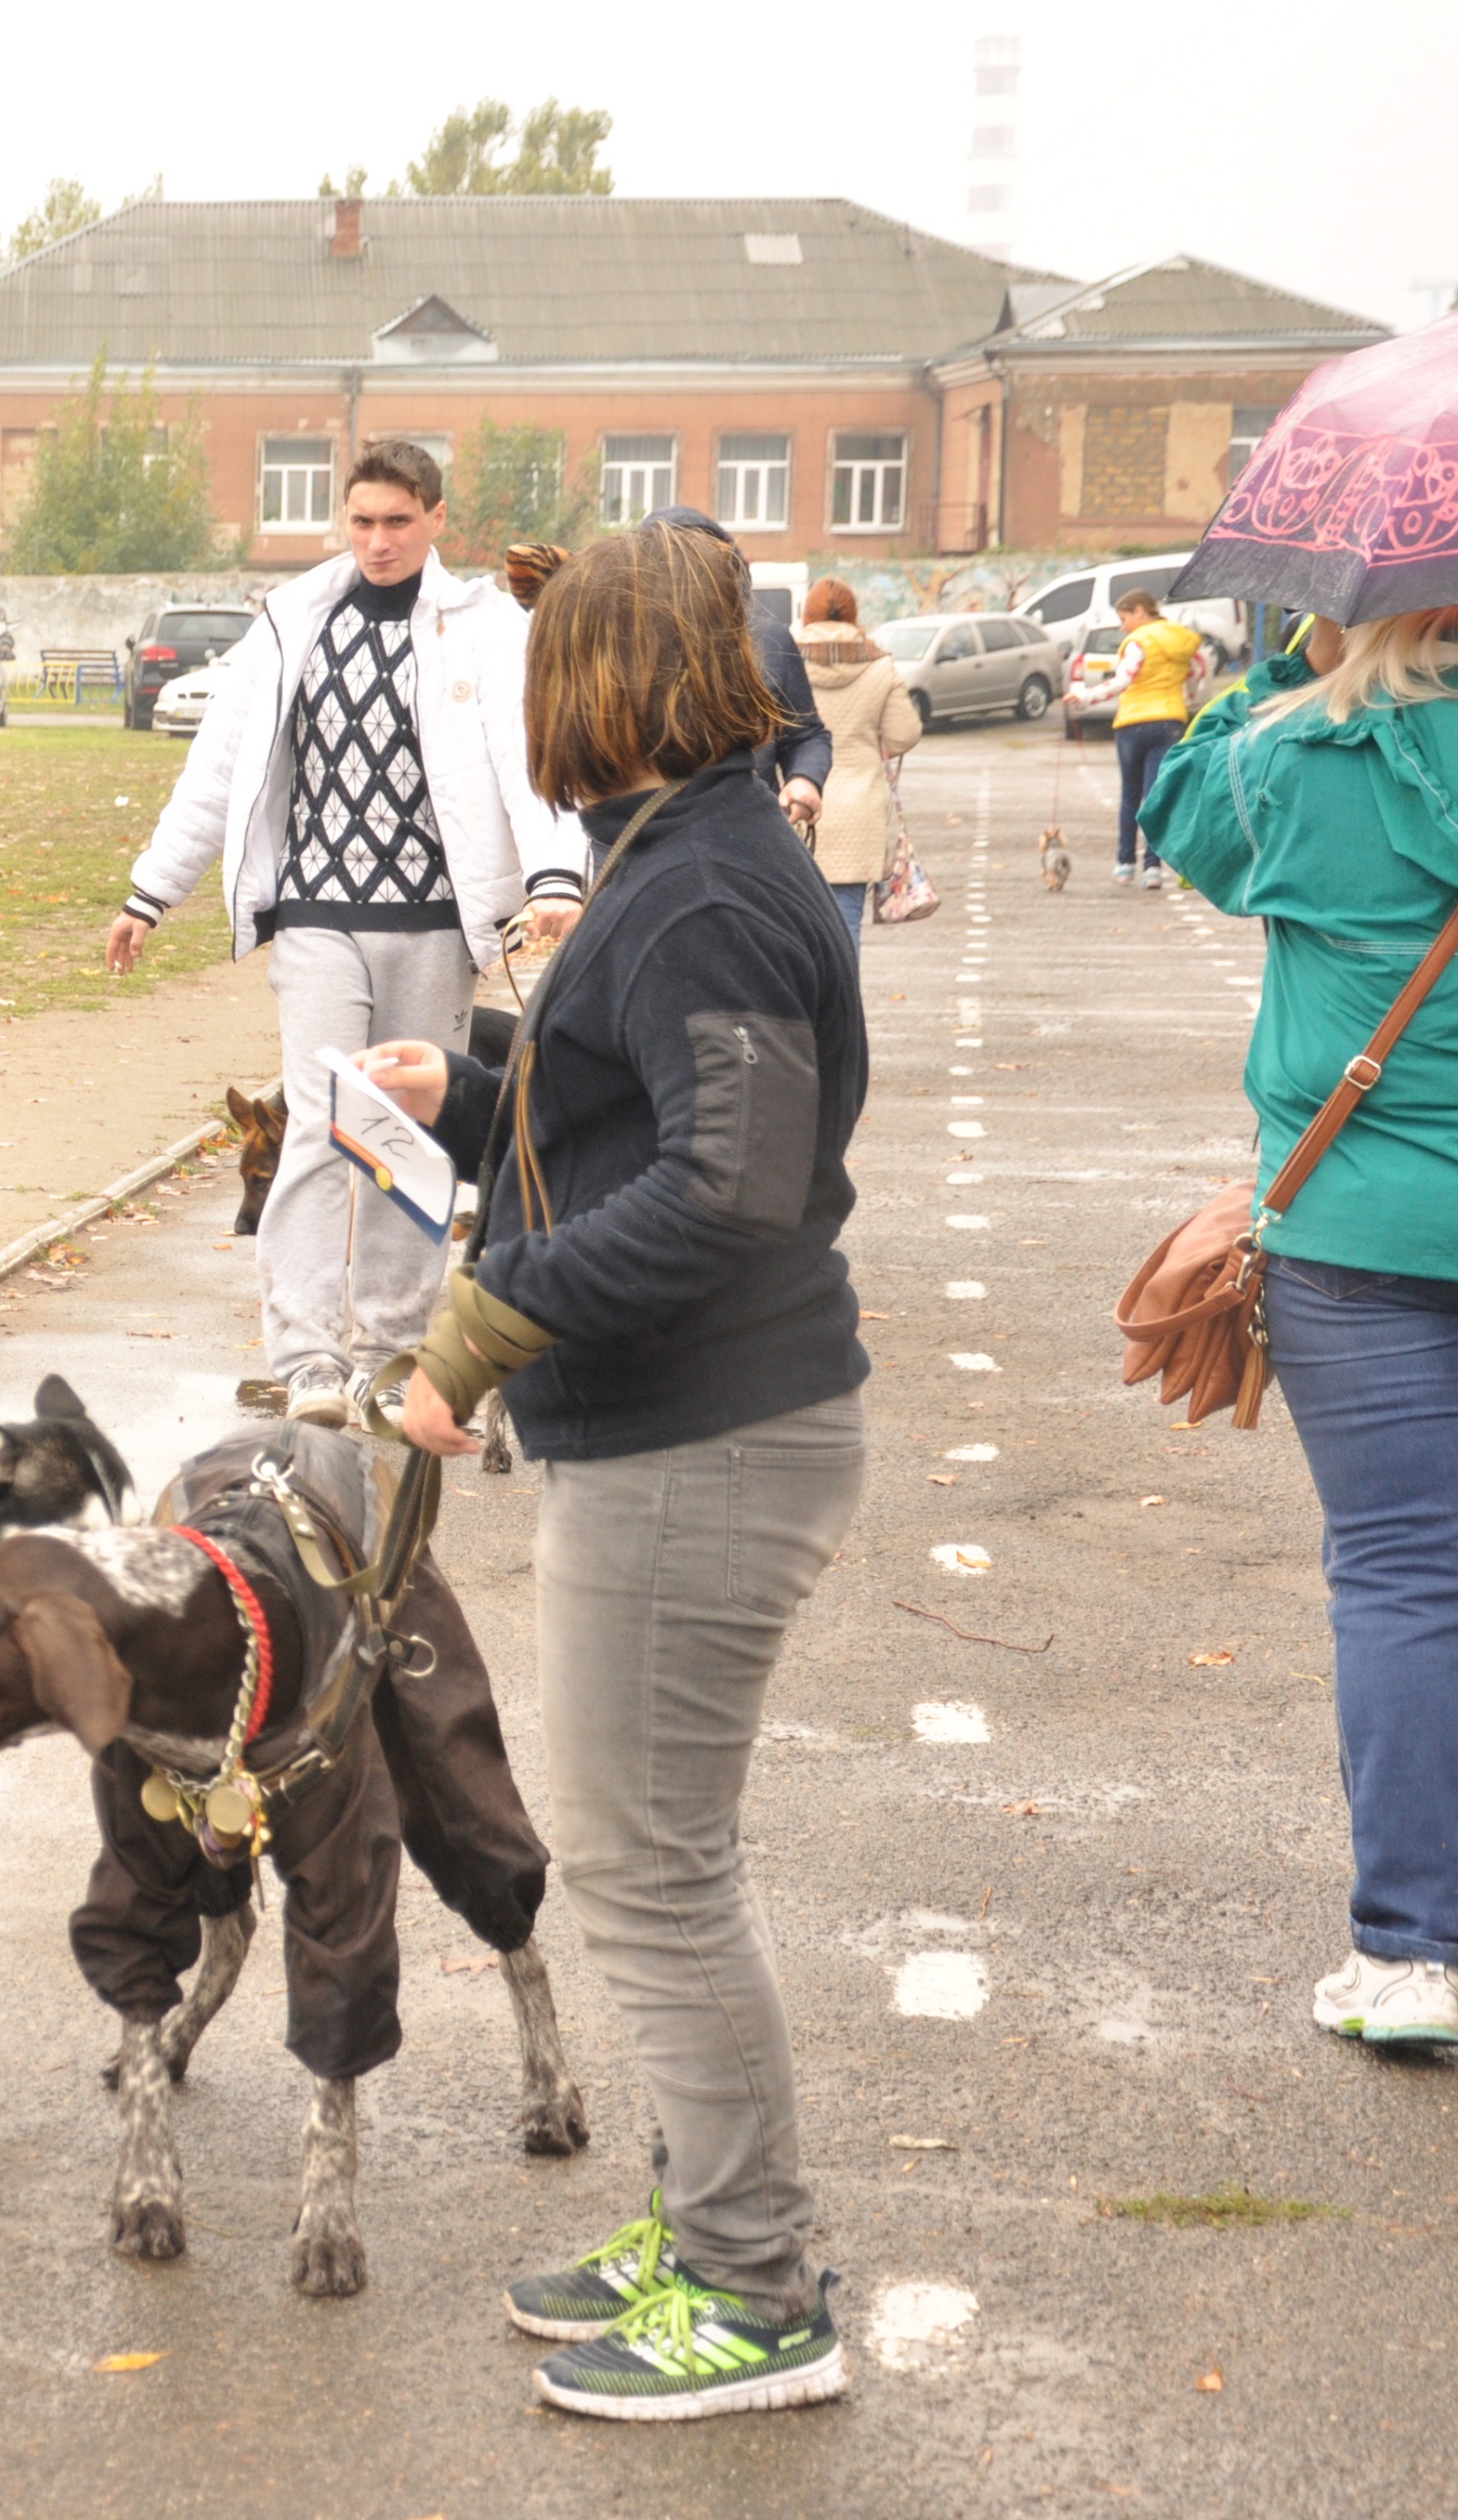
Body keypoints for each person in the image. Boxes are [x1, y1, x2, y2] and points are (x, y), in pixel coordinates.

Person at [356, 520, 870, 2419]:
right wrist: (480, 1094)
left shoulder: (706, 883)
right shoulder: (685, 847)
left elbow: (730, 1190)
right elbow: (655, 1126)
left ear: (603, 675)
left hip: (703, 1438)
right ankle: (711, 2218)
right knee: (665, 1862)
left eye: (539, 664)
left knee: (653, 1874)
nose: (521, 701)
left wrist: (482, 1324)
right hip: (679, 1425)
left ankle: (751, 2287)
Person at [1147, 592, 1458, 2048]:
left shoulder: (1302, 759)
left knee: (1403, 1569)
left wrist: (1291, 657)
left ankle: (1409, 1949)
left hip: (1360, 1233)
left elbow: (1178, 808)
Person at [104, 438, 585, 1425]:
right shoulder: (292, 621)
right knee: (328, 1123)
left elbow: (525, 753)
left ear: (437, 520)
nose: (378, 541)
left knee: (405, 1133)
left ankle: (390, 1346)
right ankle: (308, 1359)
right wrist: (151, 891)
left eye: (398, 522)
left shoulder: (486, 630)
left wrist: (552, 877)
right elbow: (220, 765)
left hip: (435, 923)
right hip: (318, 916)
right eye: (362, 521)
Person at [652, 506, 831, 833]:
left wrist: (804, 778)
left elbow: (806, 735)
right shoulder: (621, 650)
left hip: (754, 835)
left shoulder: (769, 640)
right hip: (648, 840)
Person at [792, 580, 924, 938]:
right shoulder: (879, 665)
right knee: (846, 925)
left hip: (796, 804)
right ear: (853, 616)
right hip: (859, 813)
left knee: (794, 928)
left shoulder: (786, 659)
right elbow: (905, 733)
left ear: (807, 615)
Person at [1078, 586, 1208, 883]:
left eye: (1124, 619)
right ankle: (1153, 868)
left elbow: (1123, 679)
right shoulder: (1180, 639)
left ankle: (1125, 863)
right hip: (1170, 722)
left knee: (1131, 794)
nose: (1122, 627)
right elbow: (1196, 674)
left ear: (1139, 611)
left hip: (1133, 723)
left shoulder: (1139, 641)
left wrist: (1085, 697)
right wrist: (1188, 700)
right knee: (1155, 797)